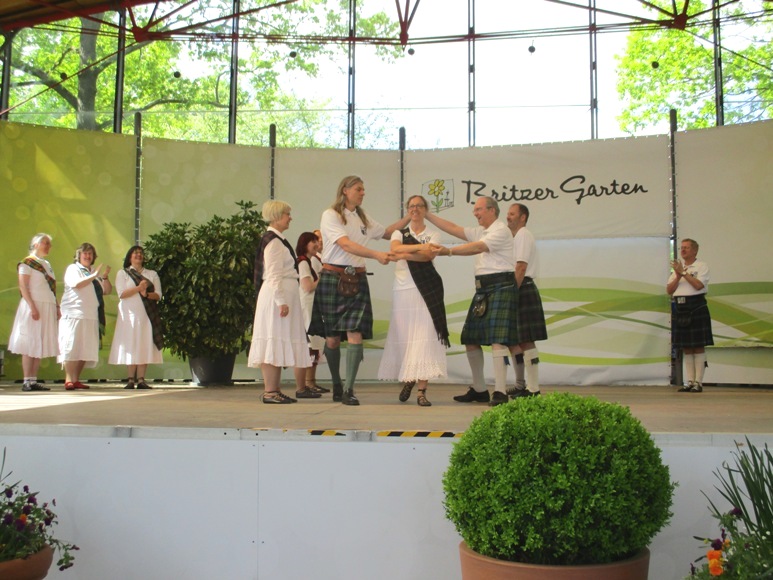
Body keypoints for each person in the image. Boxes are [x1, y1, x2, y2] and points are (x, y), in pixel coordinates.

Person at [308, 175, 409, 406]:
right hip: (333, 278)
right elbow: (345, 244)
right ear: (345, 190)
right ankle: (336, 383)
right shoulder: (331, 215)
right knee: (332, 339)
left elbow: (386, 232)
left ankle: (349, 389)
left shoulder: (363, 217)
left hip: (357, 279)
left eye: (363, 189)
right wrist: (376, 255)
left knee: (355, 333)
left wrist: (409, 217)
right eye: (358, 189)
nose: (363, 193)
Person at [429, 196, 519, 406]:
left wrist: (448, 251)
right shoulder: (481, 231)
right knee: (470, 338)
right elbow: (453, 228)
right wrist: (427, 215)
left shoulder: (500, 230)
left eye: (478, 209)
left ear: (491, 210)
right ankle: (479, 390)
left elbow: (478, 247)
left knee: (498, 340)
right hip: (483, 289)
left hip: (501, 286)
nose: (475, 213)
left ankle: (500, 392)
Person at [377, 195, 449, 407]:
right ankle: (409, 377)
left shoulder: (433, 234)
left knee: (424, 337)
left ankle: (421, 390)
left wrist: (405, 253)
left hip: (426, 289)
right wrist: (419, 249)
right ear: (407, 210)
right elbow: (395, 249)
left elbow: (428, 257)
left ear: (425, 209)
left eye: (419, 206)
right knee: (407, 337)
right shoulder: (399, 233)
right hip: (403, 290)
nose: (415, 209)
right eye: (411, 206)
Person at [248, 200, 316, 404]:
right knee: (273, 339)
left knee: (276, 340)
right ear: (277, 216)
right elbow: (273, 274)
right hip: (277, 296)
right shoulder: (274, 242)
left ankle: (274, 390)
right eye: (287, 214)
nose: (290, 218)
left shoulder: (277, 239)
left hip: (282, 295)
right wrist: (281, 301)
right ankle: (270, 392)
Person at [506, 203, 548, 398]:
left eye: (512, 214)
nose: (508, 217)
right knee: (515, 341)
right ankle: (521, 385)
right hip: (519, 287)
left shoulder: (523, 234)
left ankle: (533, 388)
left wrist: (512, 292)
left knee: (526, 340)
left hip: (522, 287)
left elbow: (521, 267)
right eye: (508, 213)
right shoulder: (515, 237)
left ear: (522, 217)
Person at [58, 243, 112, 390]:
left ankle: (76, 379)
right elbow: (76, 284)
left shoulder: (93, 272)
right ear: (79, 255)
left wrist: (104, 277)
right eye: (85, 253)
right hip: (74, 314)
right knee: (72, 346)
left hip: (91, 315)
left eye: (90, 254)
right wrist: (93, 276)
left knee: (84, 348)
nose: (88, 256)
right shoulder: (73, 269)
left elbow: (106, 291)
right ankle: (68, 379)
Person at [8, 233, 58, 392]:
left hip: (46, 305)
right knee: (30, 342)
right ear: (36, 244)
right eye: (45, 243)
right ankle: (26, 381)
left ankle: (33, 380)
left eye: (49, 243)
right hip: (33, 305)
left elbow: (50, 289)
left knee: (39, 343)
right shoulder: (27, 263)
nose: (48, 246)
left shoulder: (47, 264)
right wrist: (32, 307)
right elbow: (23, 287)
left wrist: (56, 306)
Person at [109, 245, 163, 389]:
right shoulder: (123, 273)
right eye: (135, 253)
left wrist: (146, 294)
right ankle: (130, 380)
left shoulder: (151, 274)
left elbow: (158, 295)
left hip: (147, 315)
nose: (138, 255)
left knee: (143, 344)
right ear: (129, 257)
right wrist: (139, 288)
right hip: (129, 316)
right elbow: (121, 294)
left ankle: (141, 380)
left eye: (141, 253)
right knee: (130, 344)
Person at [667, 238, 713, 393]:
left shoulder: (701, 266)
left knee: (698, 346)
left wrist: (683, 273)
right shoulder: (678, 269)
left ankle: (698, 383)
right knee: (686, 347)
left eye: (686, 247)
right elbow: (669, 290)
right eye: (681, 247)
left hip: (696, 306)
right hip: (681, 307)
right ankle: (689, 382)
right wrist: (678, 275)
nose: (683, 250)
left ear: (695, 250)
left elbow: (698, 285)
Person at [296, 231, 329, 394]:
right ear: (304, 244)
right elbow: (308, 287)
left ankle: (311, 382)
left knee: (314, 345)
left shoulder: (308, 261)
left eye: (317, 241)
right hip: (308, 307)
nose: (317, 244)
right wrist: (325, 276)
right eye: (313, 241)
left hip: (313, 306)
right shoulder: (303, 263)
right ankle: (307, 383)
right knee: (310, 345)